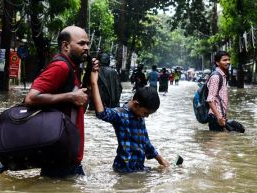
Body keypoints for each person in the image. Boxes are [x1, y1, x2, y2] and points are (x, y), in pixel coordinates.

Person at [24, 25, 90, 177]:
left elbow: (80, 109)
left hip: (67, 156)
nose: (86, 47)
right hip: (60, 157)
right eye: (81, 43)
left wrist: (91, 79)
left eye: (87, 43)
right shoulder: (61, 67)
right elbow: (31, 98)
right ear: (66, 46)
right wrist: (71, 96)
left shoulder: (72, 68)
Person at [90, 64, 169, 173]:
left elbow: (145, 142)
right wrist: (94, 83)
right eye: (146, 113)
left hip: (138, 168)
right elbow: (101, 113)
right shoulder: (120, 114)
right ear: (136, 104)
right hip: (123, 170)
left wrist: (161, 160)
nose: (147, 116)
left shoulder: (139, 116)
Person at [206, 50, 231, 131]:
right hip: (216, 117)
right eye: (224, 60)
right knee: (216, 143)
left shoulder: (223, 76)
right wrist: (219, 117)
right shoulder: (216, 77)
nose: (228, 62)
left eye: (228, 59)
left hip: (220, 117)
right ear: (217, 62)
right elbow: (210, 99)